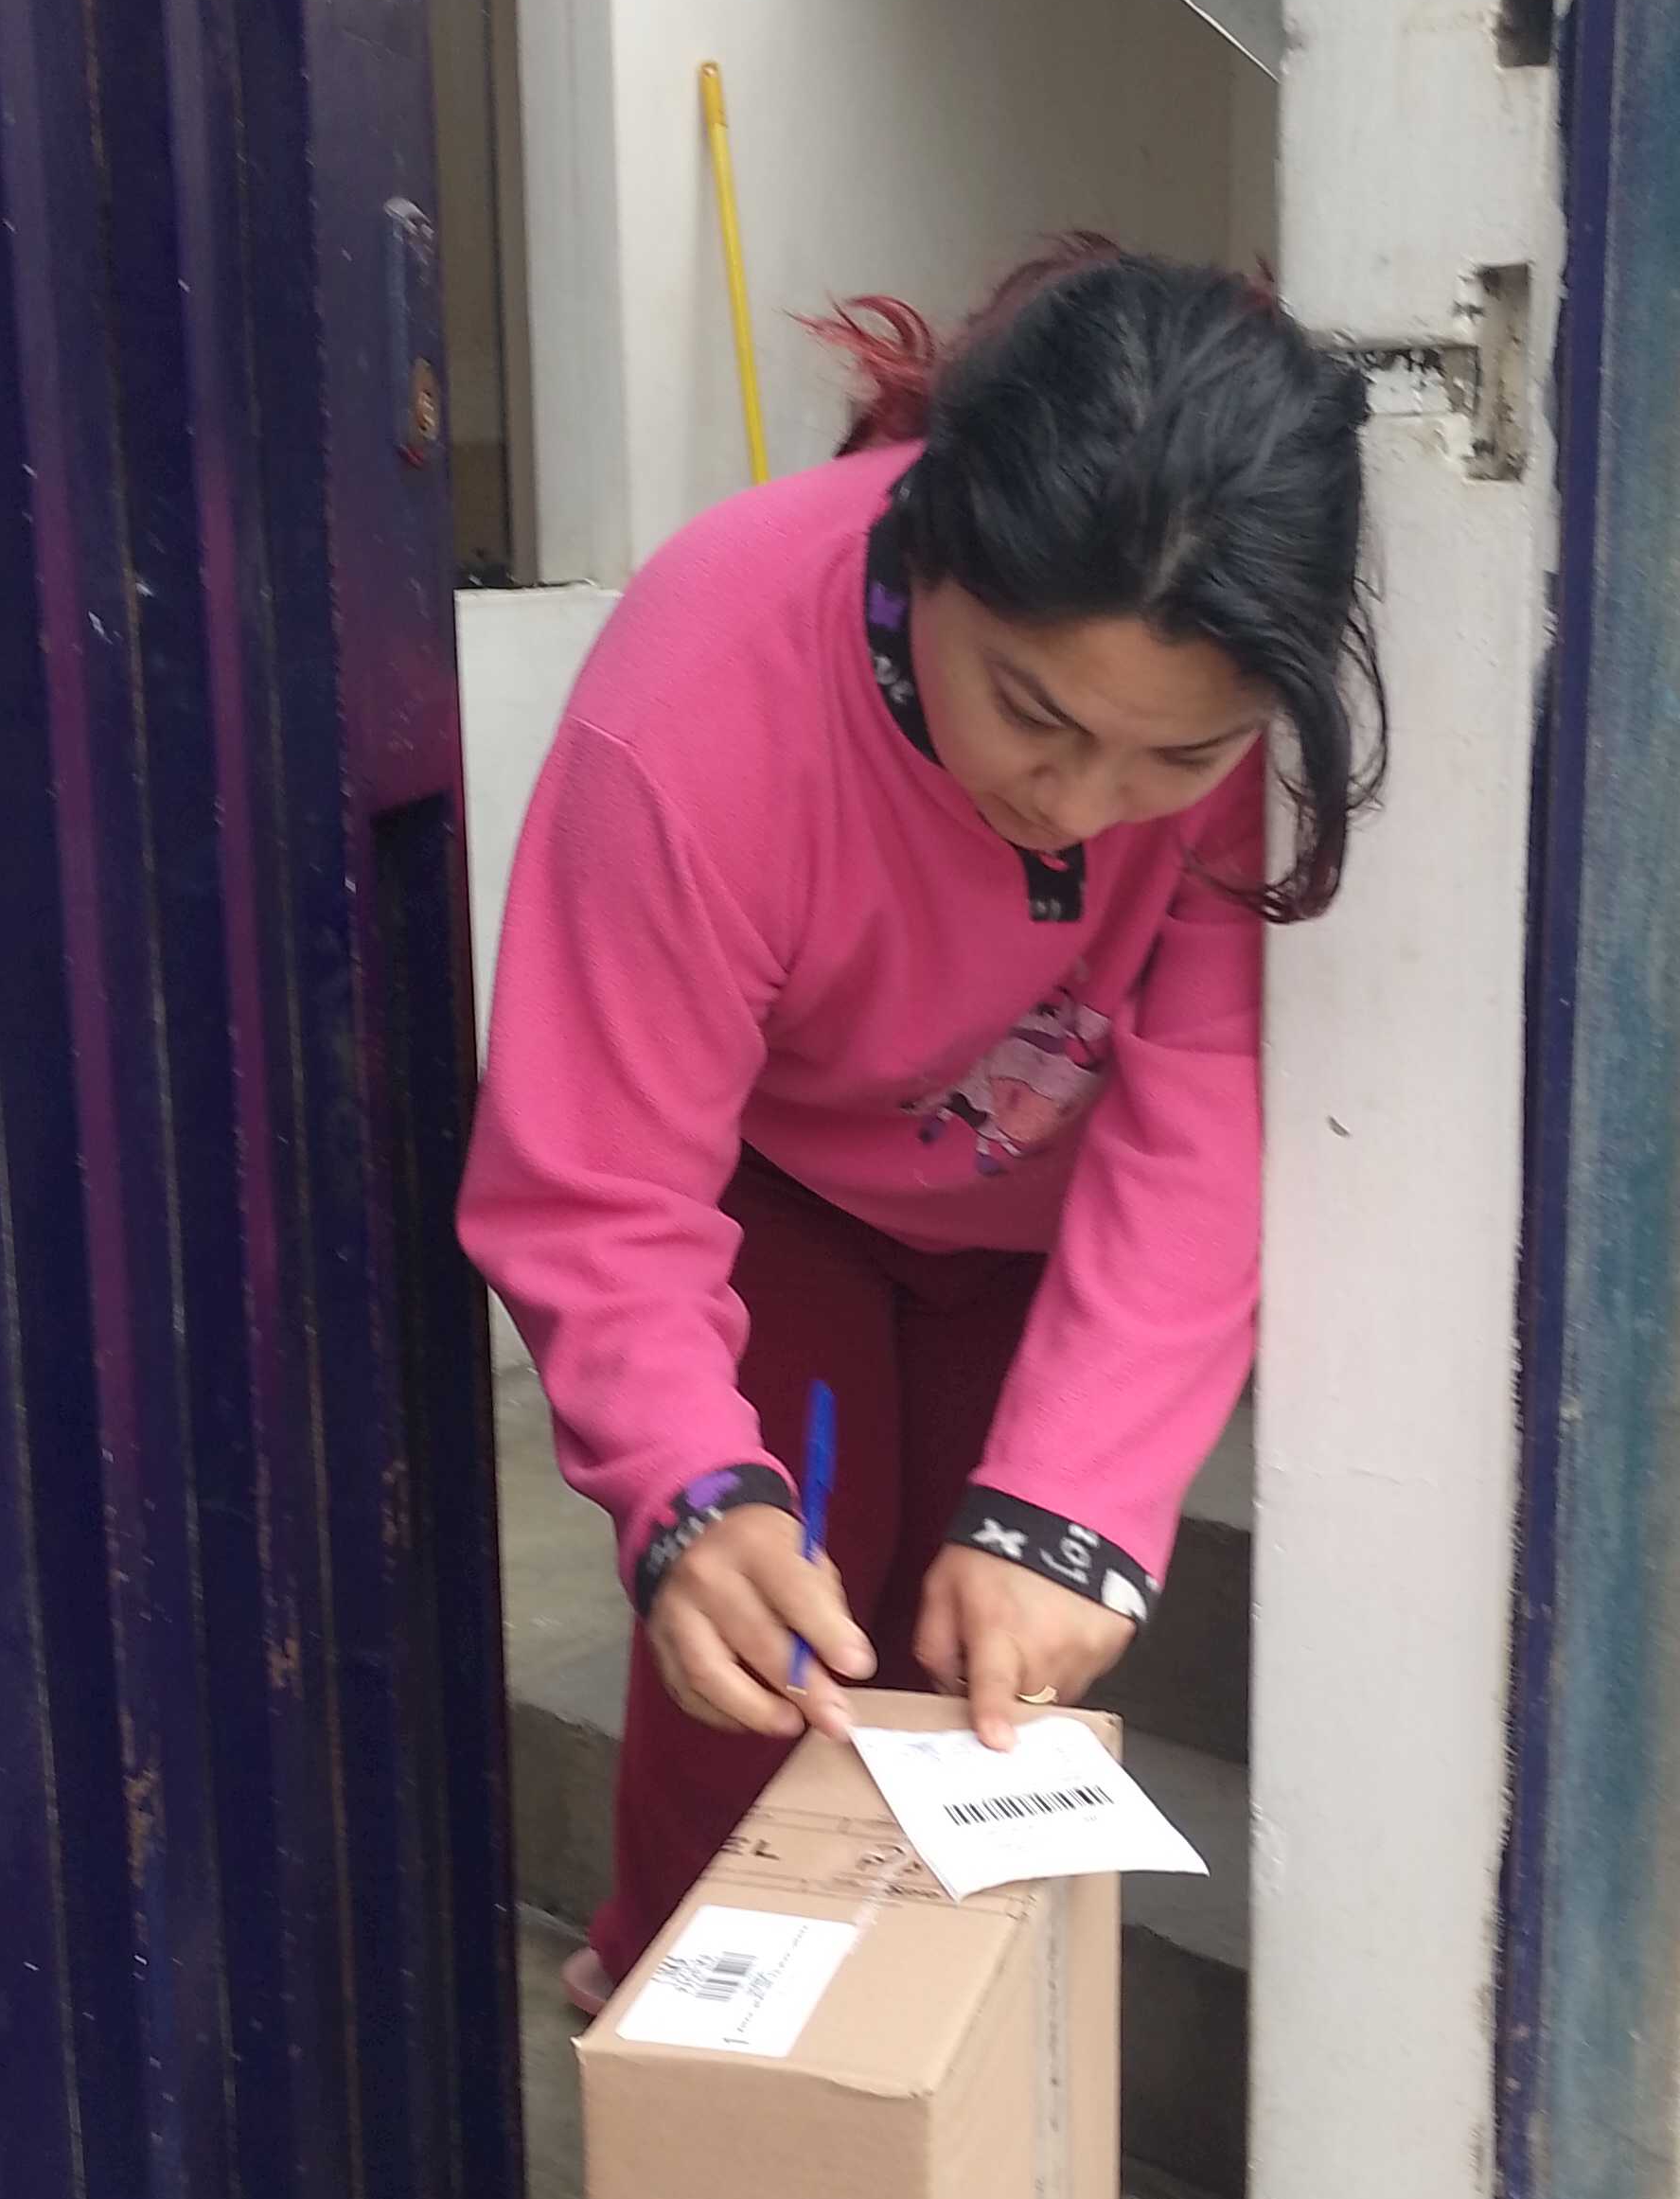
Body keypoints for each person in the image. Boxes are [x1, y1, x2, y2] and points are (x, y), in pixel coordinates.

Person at [461, 241, 1379, 2013]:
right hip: (787, 1191)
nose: (1084, 801)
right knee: (765, 1640)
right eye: (1032, 711)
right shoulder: (701, 695)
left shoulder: (1243, 710)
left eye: (1174, 762)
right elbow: (599, 1179)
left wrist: (1074, 1506)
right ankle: (675, 2007)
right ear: (925, 540)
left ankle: (925, 2085)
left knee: (992, 1664)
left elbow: (1203, 1115)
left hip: (1046, 1228)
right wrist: (685, 1489)